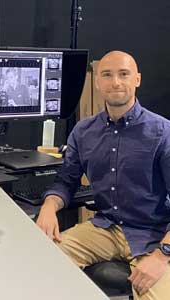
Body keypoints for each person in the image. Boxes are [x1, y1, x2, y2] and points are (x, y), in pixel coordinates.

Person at [36, 50, 170, 300]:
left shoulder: (162, 133)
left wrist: (162, 256)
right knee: (42, 262)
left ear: (137, 79)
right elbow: (66, 182)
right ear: (97, 82)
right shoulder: (84, 132)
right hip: (105, 228)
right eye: (107, 75)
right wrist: (48, 207)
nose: (115, 82)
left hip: (153, 235)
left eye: (124, 74)